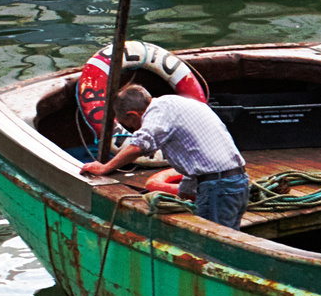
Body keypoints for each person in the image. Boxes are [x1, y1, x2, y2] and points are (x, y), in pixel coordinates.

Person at [80, 85, 249, 228]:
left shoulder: (158, 111)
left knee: (212, 250)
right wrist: (182, 196)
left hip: (218, 188)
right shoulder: (177, 104)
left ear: (133, 114)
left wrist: (105, 168)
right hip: (237, 182)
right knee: (228, 238)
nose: (133, 130)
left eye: (130, 126)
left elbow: (140, 145)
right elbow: (197, 164)